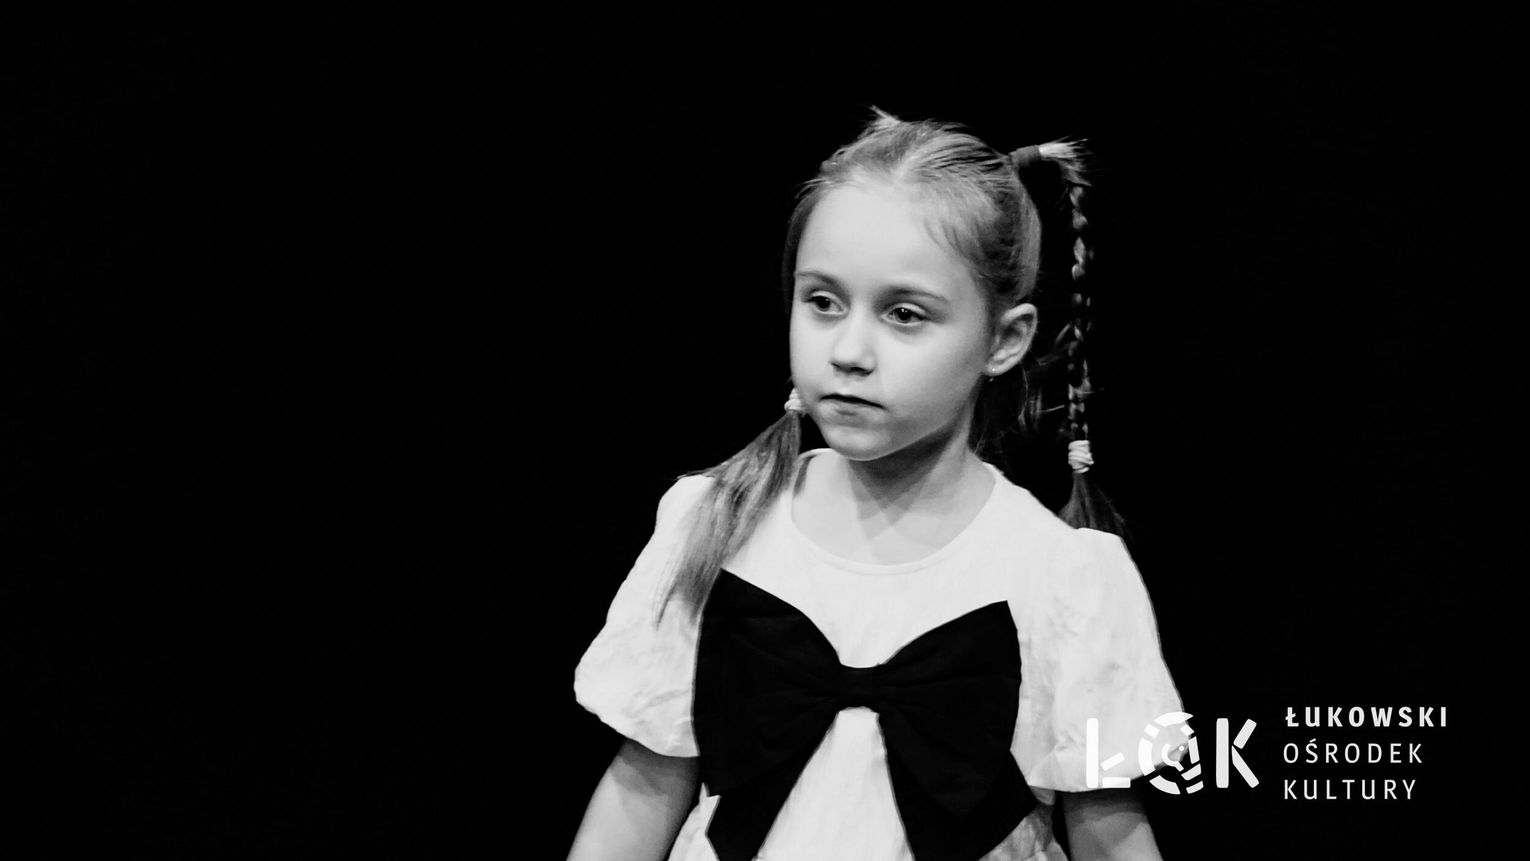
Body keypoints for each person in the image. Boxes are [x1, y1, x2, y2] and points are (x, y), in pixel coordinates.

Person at [566, 108, 1186, 861]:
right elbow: (642, 789)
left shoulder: (1061, 576)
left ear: (1004, 339)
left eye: (904, 314)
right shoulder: (718, 522)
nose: (849, 350)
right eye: (823, 302)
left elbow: (1109, 832)